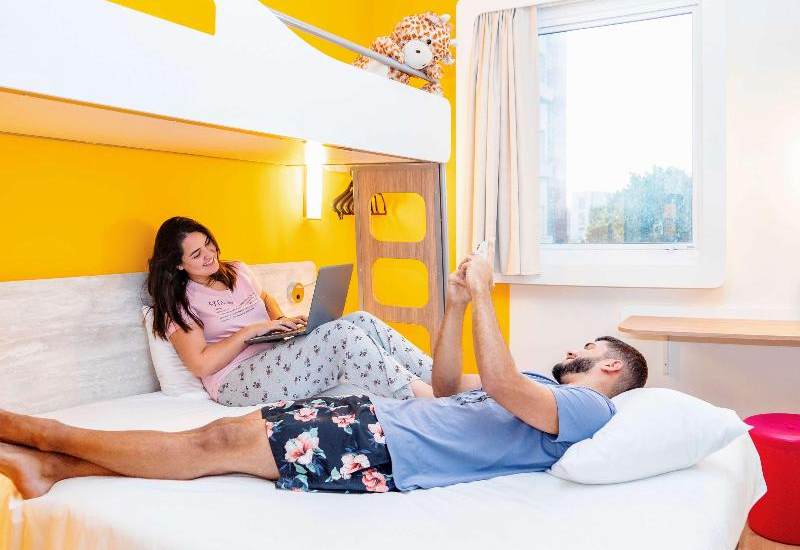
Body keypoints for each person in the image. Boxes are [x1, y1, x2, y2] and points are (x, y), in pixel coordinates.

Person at [0, 252, 648, 498]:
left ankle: (43, 433)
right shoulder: (545, 387)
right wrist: (454, 307)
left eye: (588, 348)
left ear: (611, 365)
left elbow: (503, 385)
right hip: (379, 419)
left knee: (214, 443)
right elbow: (452, 388)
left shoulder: (590, 408)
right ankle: (54, 468)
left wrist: (484, 294)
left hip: (386, 446)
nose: (574, 349)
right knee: (220, 447)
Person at [146, 217, 433, 405]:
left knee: (361, 320)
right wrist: (250, 332)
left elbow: (265, 297)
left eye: (208, 244)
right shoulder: (180, 303)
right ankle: (424, 399)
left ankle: (440, 379)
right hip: (235, 379)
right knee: (342, 335)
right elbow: (200, 364)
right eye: (196, 254)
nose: (209, 255)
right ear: (178, 264)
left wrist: (280, 321)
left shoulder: (236, 271)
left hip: (277, 354)